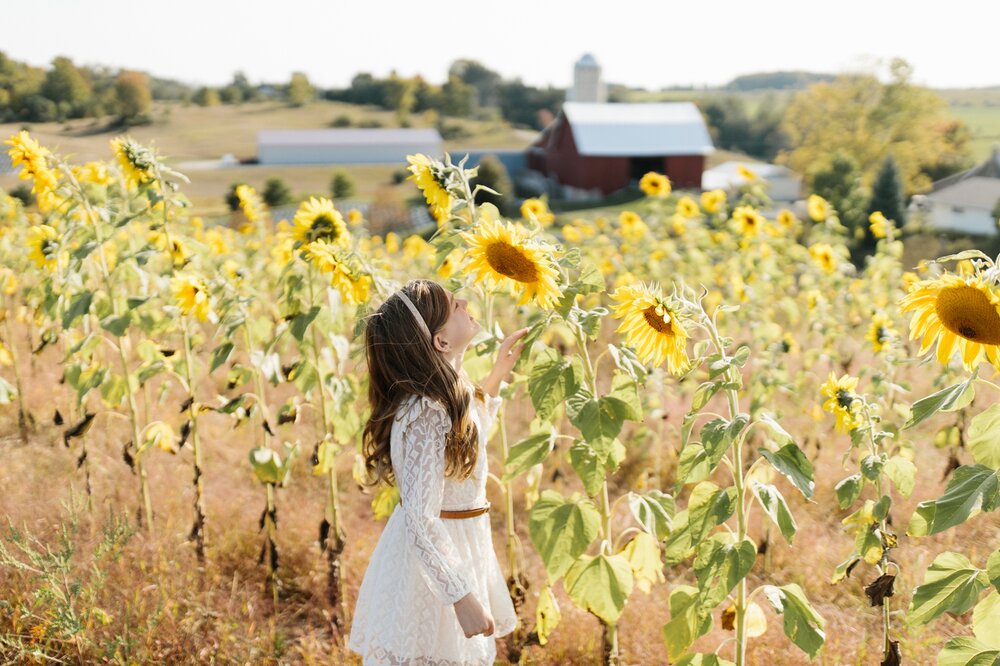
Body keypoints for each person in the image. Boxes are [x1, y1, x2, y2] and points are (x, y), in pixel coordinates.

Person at [348, 278, 528, 665]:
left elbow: (466, 450)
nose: (465, 301)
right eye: (454, 306)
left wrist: (497, 375)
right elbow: (419, 517)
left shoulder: (449, 392)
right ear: (440, 343)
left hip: (459, 546)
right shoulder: (424, 413)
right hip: (431, 568)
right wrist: (460, 596)